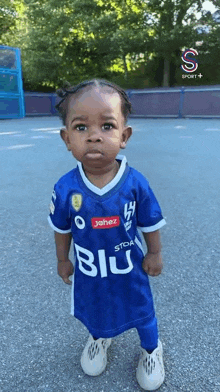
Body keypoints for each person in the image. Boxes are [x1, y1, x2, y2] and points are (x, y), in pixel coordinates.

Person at [48, 78, 166, 391]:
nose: (95, 137)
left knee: (142, 310)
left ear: (124, 136)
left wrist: (154, 252)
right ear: (66, 138)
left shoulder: (135, 183)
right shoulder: (65, 189)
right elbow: (62, 228)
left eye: (108, 126)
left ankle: (152, 350)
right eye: (82, 128)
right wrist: (62, 259)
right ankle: (100, 337)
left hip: (128, 270)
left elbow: (150, 221)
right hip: (90, 271)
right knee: (96, 308)